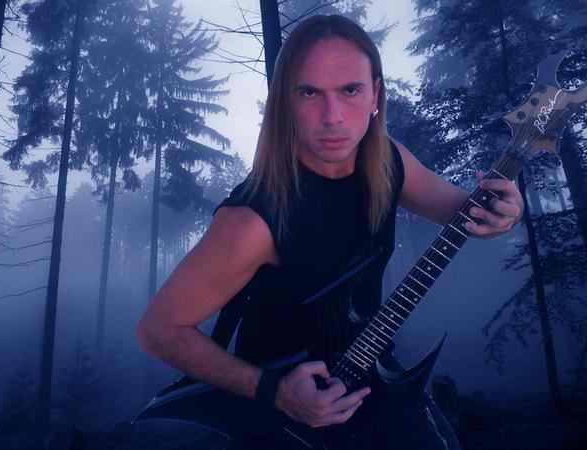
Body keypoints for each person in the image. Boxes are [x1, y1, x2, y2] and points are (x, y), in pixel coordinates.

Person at [135, 14, 524, 450]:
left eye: (350, 90)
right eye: (309, 92)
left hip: (371, 377)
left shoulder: (387, 161)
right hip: (285, 422)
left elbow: (470, 217)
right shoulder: (252, 220)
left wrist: (504, 213)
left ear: (375, 94)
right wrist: (276, 392)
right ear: (285, 102)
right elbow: (158, 330)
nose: (332, 117)